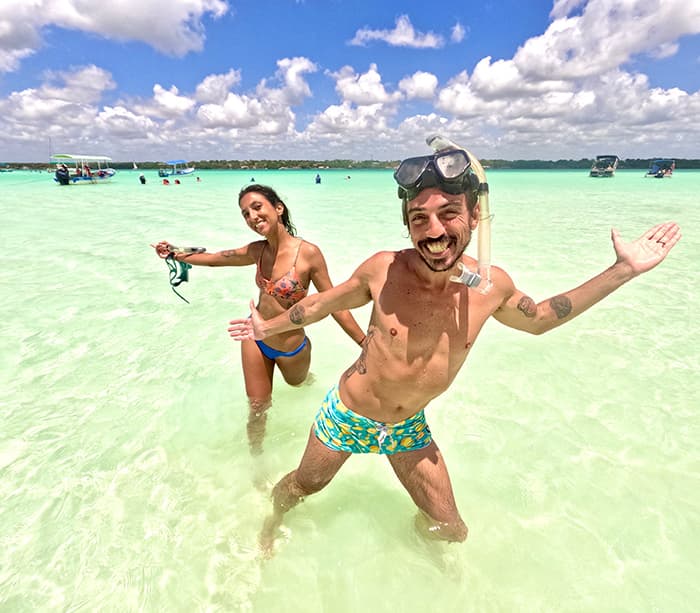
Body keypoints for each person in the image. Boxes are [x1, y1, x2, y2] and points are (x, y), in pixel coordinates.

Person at [227, 138, 681, 554]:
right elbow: (318, 305)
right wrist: (265, 329)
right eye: (419, 218)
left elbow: (543, 318)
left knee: (450, 528)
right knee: (301, 488)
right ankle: (269, 522)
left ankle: (413, 560)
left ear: (474, 216)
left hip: (407, 428)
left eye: (448, 214)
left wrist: (622, 271)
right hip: (348, 414)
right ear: (407, 226)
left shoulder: (490, 287)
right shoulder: (383, 270)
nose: (434, 231)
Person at [154, 184, 365, 456]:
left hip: (291, 348)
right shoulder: (258, 251)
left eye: (257, 207)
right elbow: (216, 259)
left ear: (278, 208)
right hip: (254, 337)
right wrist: (174, 253)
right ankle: (256, 459)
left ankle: (308, 378)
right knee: (257, 408)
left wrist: (365, 343)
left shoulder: (308, 254)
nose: (252, 217)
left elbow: (333, 303)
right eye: (245, 213)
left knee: (298, 385)